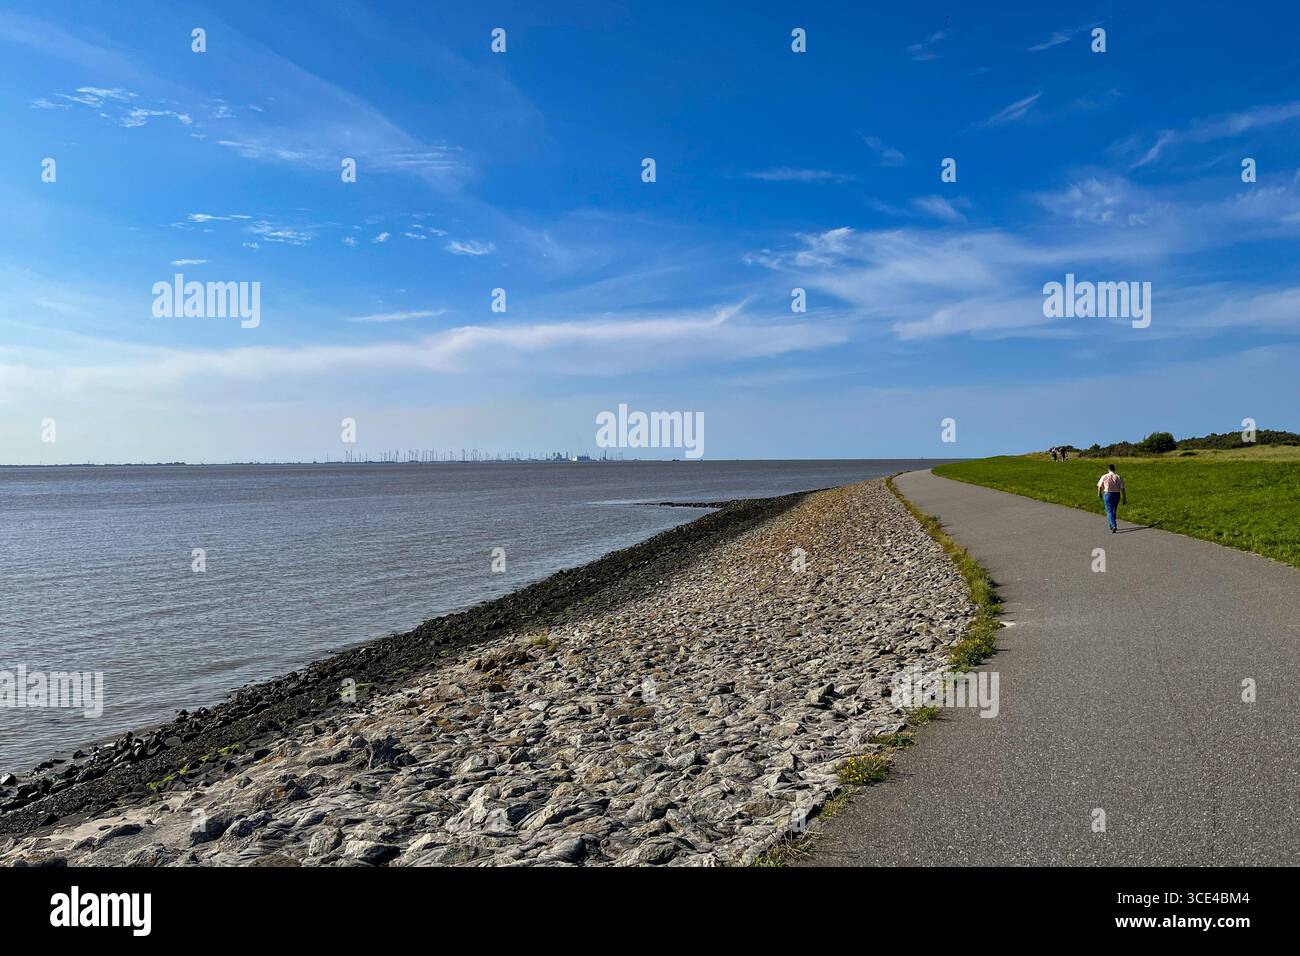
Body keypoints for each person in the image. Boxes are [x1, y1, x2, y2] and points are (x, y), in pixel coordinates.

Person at [1097, 464, 1127, 532]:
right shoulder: (1118, 477)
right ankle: (1111, 524)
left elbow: (1099, 486)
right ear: (1114, 469)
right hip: (1117, 494)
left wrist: (1099, 494)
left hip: (1108, 494)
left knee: (1109, 511)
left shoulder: (1104, 476)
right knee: (1113, 510)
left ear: (1108, 469)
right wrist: (1124, 498)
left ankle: (1113, 525)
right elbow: (1122, 488)